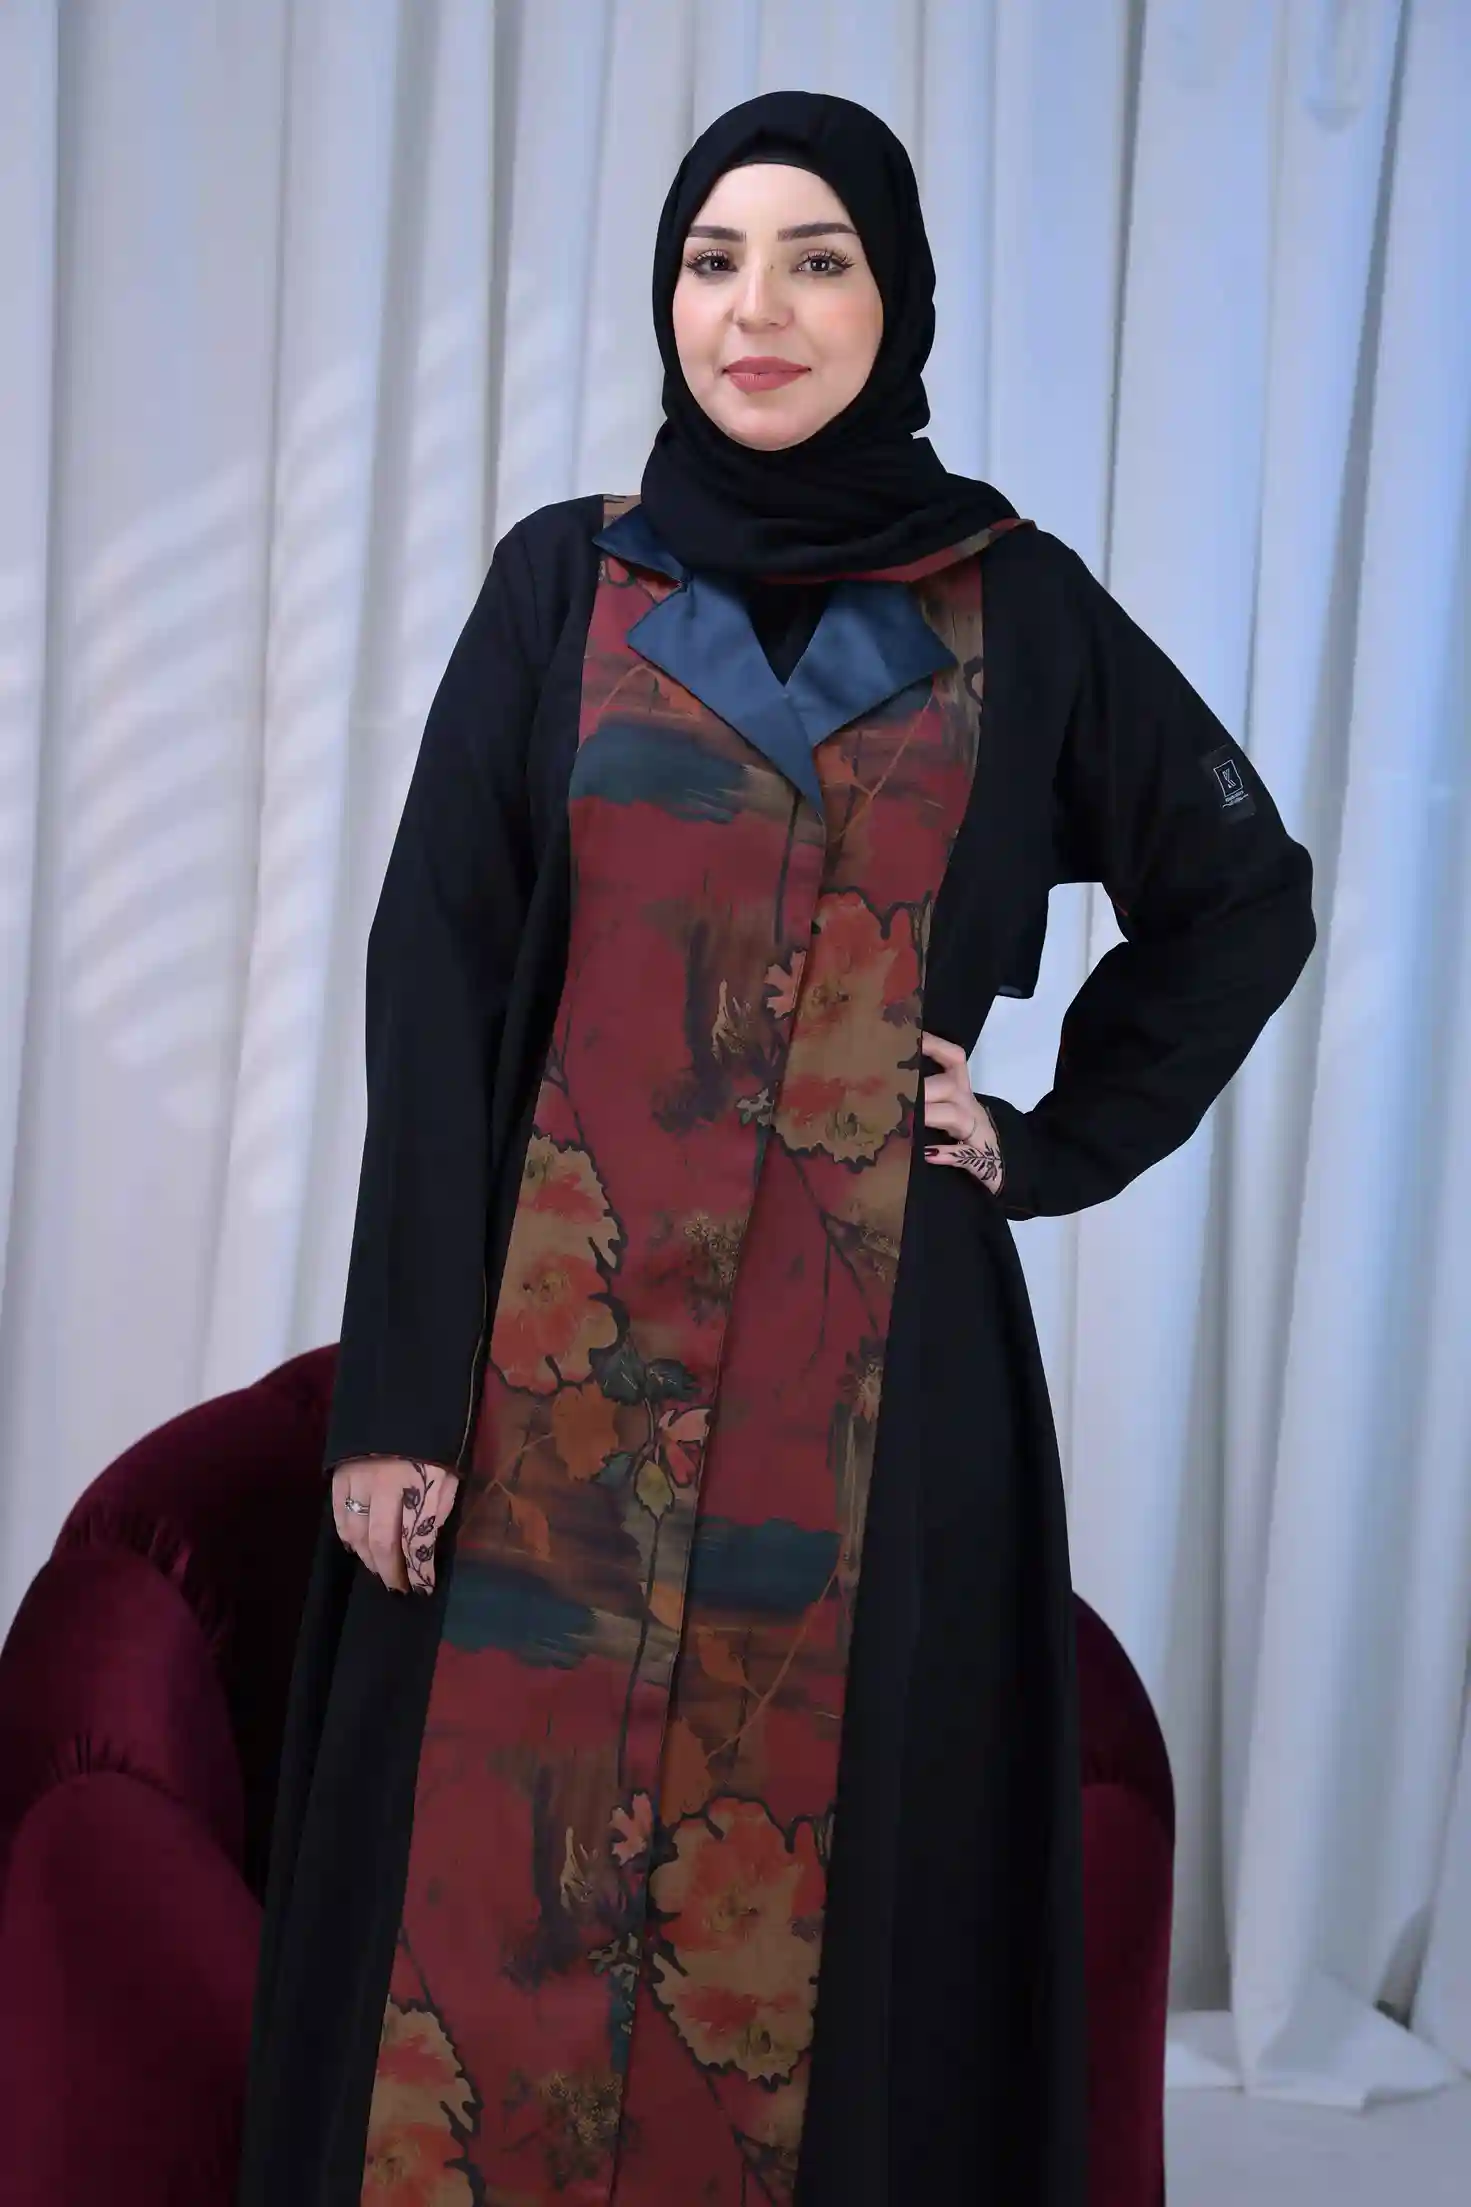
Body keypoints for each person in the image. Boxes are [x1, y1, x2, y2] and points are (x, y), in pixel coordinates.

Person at [238, 90, 1315, 2207]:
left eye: (818, 260)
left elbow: (1239, 890)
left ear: (895, 299)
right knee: (487, 1903)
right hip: (547, 1371)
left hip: (877, 1389)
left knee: (831, 1916)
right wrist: (398, 1399)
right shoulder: (566, 586)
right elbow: (432, 978)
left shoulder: (1016, 605)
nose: (758, 308)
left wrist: (1048, 1135)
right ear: (667, 300)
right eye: (713, 259)